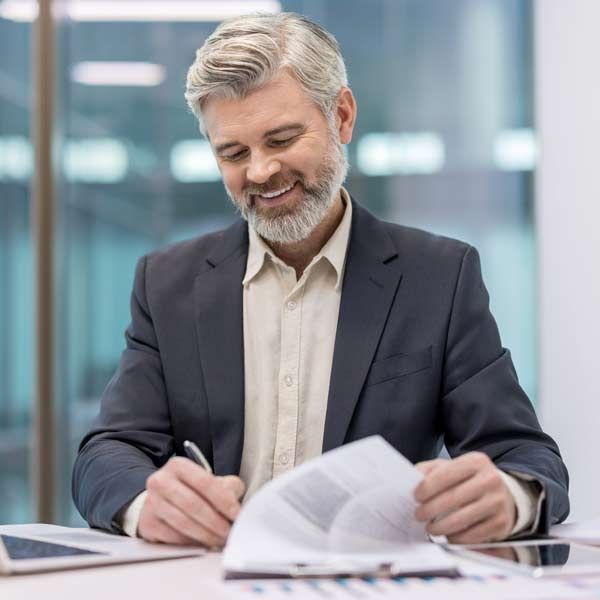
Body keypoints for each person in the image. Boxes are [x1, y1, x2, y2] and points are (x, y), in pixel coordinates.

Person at [72, 12, 569, 548]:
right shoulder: (167, 282)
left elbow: (527, 457)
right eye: (233, 153)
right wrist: (148, 504)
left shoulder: (439, 278)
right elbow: (105, 456)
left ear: (342, 115)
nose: (260, 171)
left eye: (282, 139)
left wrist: (511, 496)